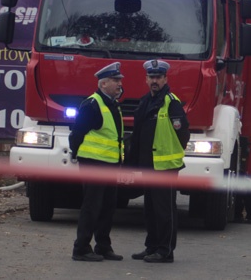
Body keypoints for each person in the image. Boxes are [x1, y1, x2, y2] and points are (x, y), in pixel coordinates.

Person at [127, 59, 190, 263]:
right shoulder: (146, 101)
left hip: (165, 167)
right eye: (151, 77)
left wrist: (171, 155)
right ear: (146, 79)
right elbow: (138, 135)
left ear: (165, 78)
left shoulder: (171, 102)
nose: (154, 81)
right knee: (150, 210)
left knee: (165, 211)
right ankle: (152, 246)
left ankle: (165, 251)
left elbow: (183, 134)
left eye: (158, 77)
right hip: (148, 165)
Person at [70, 62, 125, 261]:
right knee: (92, 206)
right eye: (116, 80)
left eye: (120, 81)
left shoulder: (112, 104)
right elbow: (76, 133)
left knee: (108, 206)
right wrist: (76, 153)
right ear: (103, 84)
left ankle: (103, 246)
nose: (120, 84)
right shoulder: (92, 104)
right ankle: (81, 248)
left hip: (109, 164)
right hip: (93, 163)